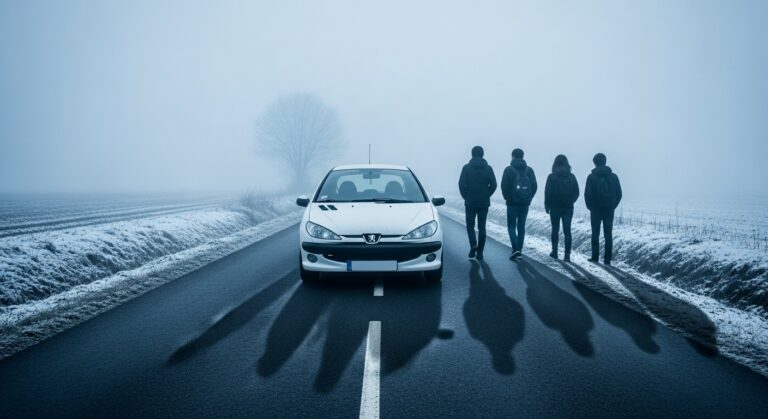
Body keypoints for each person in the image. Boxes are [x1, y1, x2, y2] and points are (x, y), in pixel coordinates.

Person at [458, 146, 497, 260]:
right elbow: (494, 185)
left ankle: (473, 244)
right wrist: (487, 194)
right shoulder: (488, 168)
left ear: (472, 154)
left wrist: (466, 196)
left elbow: (461, 184)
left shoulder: (466, 168)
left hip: (470, 201)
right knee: (482, 227)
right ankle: (480, 253)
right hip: (484, 202)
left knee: (470, 226)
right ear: (483, 154)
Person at [584, 153, 622, 265]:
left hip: (595, 210)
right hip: (609, 210)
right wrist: (612, 206)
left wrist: (590, 207)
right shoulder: (614, 176)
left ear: (595, 163)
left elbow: (587, 194)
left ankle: (595, 257)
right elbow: (619, 194)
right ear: (605, 162)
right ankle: (607, 260)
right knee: (608, 234)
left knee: (595, 234)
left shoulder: (591, 177)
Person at [501, 148, 537, 260]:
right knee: (521, 226)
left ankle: (515, 248)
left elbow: (504, 186)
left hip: (512, 204)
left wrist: (508, 198)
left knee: (511, 226)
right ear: (523, 156)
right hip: (525, 204)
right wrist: (529, 198)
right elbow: (534, 186)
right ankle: (519, 250)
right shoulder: (529, 170)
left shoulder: (508, 170)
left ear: (512, 157)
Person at [544, 154, 580, 262]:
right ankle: (567, 255)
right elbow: (577, 192)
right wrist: (570, 201)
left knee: (555, 230)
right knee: (567, 231)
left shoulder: (551, 176)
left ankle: (554, 252)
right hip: (568, 208)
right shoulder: (571, 176)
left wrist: (547, 205)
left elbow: (548, 193)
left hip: (555, 207)